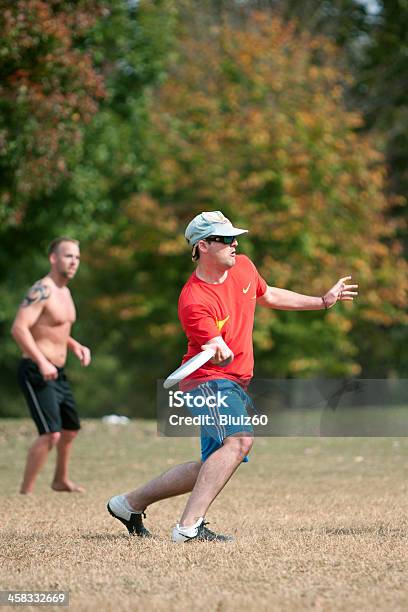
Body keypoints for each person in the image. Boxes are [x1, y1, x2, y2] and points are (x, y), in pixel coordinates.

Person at [107, 211, 358, 542]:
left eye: (233, 237)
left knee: (212, 465)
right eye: (225, 240)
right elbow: (209, 338)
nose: (234, 243)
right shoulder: (193, 298)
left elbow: (268, 295)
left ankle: (129, 504)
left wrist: (322, 301)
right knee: (239, 441)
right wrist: (216, 344)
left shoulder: (244, 266)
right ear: (203, 246)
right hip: (207, 380)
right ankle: (188, 527)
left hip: (236, 381)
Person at [11, 237, 91, 494]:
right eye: (68, 256)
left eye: (77, 257)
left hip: (58, 371)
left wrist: (74, 344)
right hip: (36, 370)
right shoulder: (41, 290)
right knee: (50, 434)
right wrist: (42, 362)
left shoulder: (65, 292)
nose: (73, 262)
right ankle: (26, 492)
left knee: (70, 429)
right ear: (53, 258)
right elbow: (20, 328)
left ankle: (60, 480)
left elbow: (52, 329)